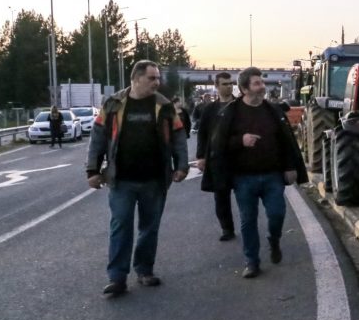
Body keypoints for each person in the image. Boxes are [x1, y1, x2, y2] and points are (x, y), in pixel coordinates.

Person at [86, 60, 189, 297]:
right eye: (152, 78)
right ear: (136, 78)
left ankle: (144, 270)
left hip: (154, 179)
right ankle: (117, 277)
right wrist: (92, 170)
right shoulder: (113, 104)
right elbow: (98, 137)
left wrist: (181, 166)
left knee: (149, 227)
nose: (157, 82)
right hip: (121, 180)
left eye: (158, 78)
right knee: (120, 225)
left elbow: (178, 137)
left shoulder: (164, 106)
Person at [202, 67, 307, 278]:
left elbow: (286, 141)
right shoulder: (230, 113)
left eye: (262, 82)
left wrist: (290, 167)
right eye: (257, 83)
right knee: (248, 220)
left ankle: (274, 239)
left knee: (277, 213)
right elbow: (218, 144)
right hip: (243, 178)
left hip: (272, 176)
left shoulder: (273, 111)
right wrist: (240, 141)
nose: (262, 87)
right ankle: (251, 261)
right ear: (244, 89)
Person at [196, 73, 237, 241]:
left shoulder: (239, 106)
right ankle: (227, 229)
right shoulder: (210, 109)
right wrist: (201, 156)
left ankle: (248, 226)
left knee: (245, 194)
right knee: (221, 196)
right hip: (217, 159)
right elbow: (202, 133)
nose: (229, 86)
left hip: (238, 157)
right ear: (217, 86)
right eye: (225, 84)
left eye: (231, 83)